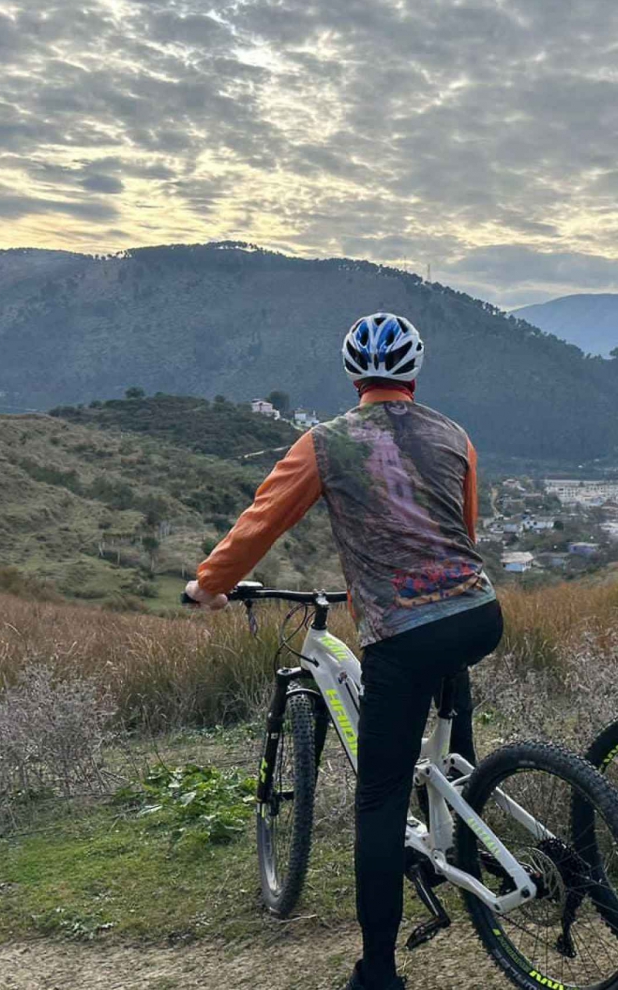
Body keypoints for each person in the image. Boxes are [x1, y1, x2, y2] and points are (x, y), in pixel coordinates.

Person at [185, 312, 501, 990]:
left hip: (402, 629)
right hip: (478, 612)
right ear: (413, 374)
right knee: (449, 703)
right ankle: (470, 838)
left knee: (379, 797)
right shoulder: (455, 435)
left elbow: (261, 520)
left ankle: (379, 971)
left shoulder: (326, 443)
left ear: (355, 376)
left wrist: (211, 584)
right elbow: (463, 530)